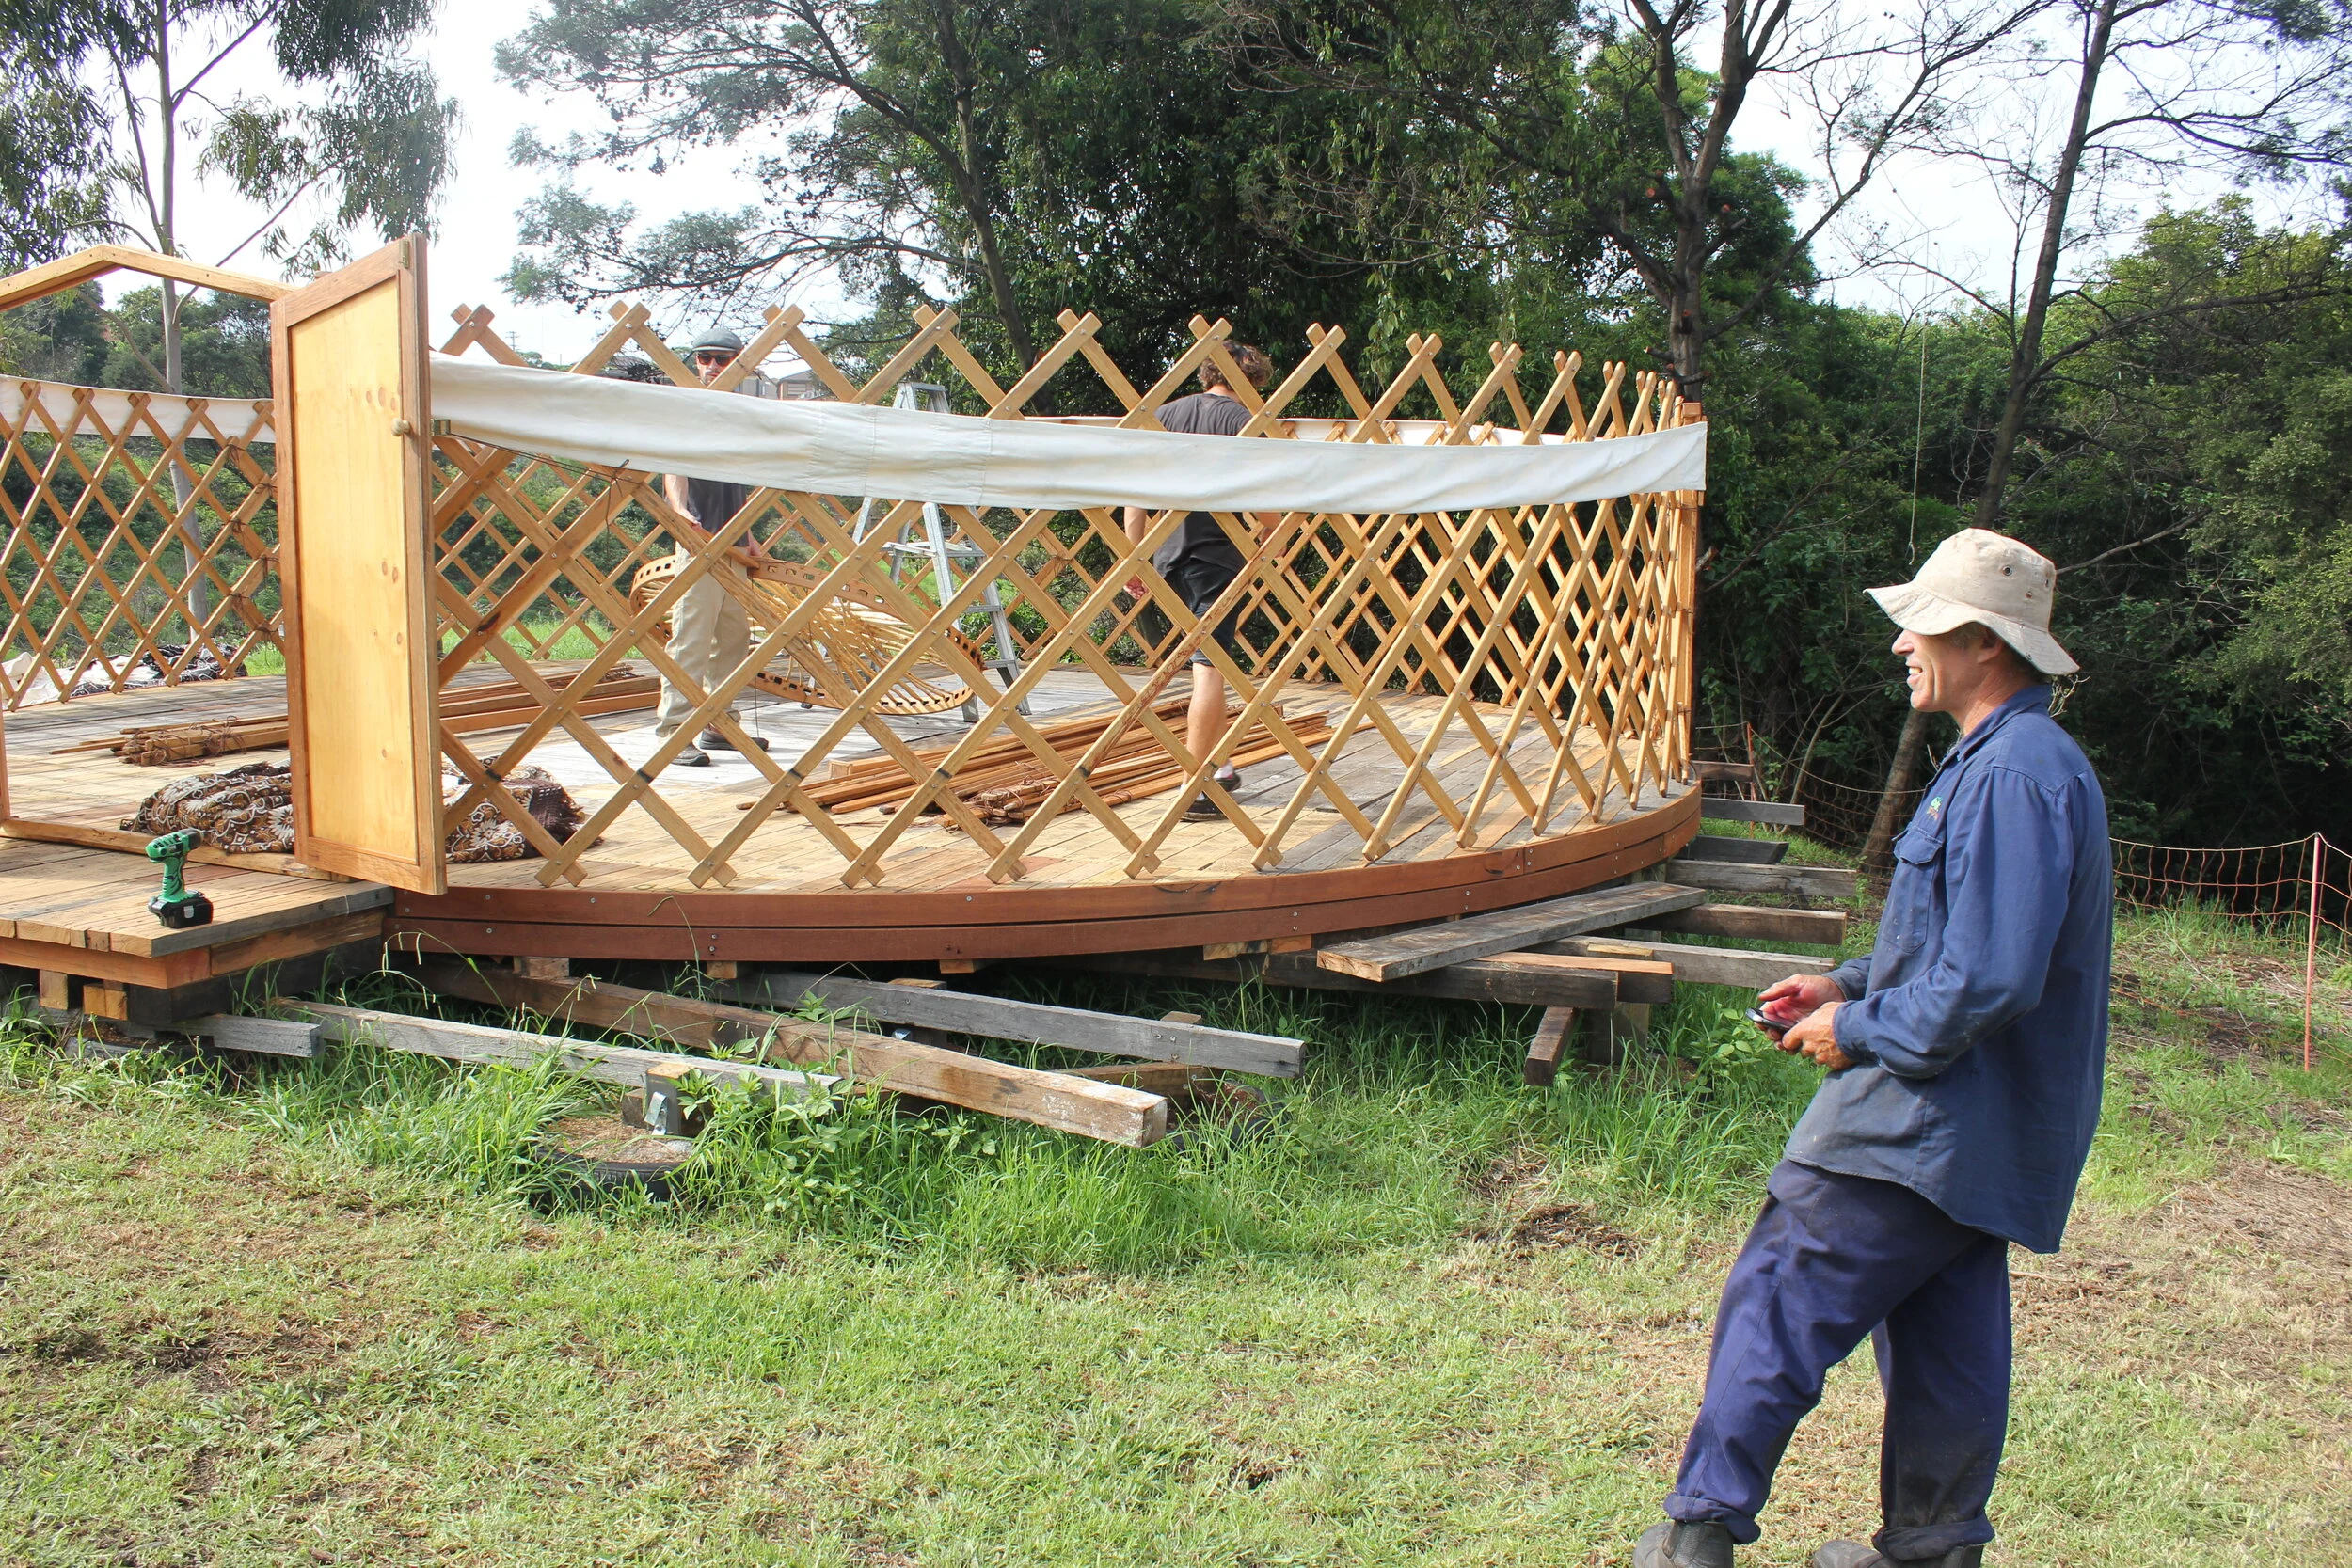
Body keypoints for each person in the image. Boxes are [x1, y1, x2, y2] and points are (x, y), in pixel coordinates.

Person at [1633, 529, 2112, 1568]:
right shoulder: (2012, 762)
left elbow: (1988, 978)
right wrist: (1846, 979)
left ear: (1984, 642)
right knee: (1947, 1336)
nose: (1902, 642)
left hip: (1920, 1119)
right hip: (1977, 1132)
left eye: (1922, 624)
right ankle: (1931, 1550)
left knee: (1777, 1295)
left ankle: (1695, 1533)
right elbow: (1959, 944)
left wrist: (1854, 1027)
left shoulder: (2014, 775)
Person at [1120, 344, 1276, 820]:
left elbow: (1136, 494)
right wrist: (1273, 532)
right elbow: (1266, 505)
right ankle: (1195, 785)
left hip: (1168, 559)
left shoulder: (1165, 414)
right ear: (1251, 380)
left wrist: (1135, 558)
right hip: (1214, 560)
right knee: (1210, 667)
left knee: (1205, 663)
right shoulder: (1243, 420)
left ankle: (1221, 766)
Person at [657, 326, 776, 767]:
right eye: (704, 358)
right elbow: (672, 469)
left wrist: (748, 535)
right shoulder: (688, 412)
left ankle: (719, 724)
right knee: (691, 638)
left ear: (740, 365)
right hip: (700, 543)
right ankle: (674, 733)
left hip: (733, 546)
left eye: (721, 360)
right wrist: (679, 510)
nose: (711, 367)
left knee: (733, 639)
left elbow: (735, 487)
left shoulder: (736, 417)